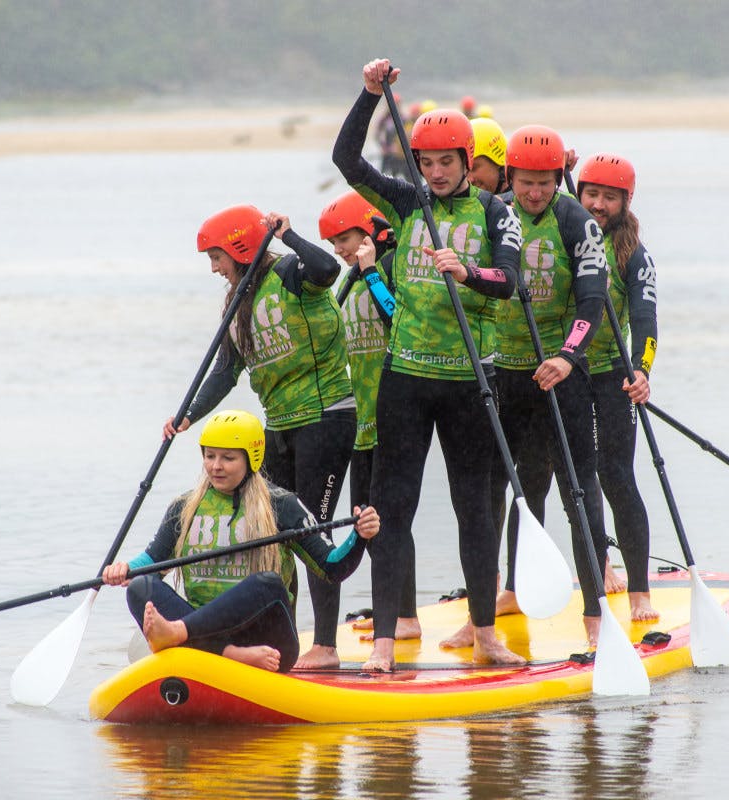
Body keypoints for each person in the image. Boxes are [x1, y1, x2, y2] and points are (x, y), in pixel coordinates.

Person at [333, 58, 524, 672]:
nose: (436, 173)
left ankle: (486, 630)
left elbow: (511, 282)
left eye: (447, 162)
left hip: (471, 380)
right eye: (427, 163)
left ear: (469, 164)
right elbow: (346, 159)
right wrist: (368, 96)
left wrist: (468, 272)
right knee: (393, 508)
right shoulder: (405, 203)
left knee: (475, 507)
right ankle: (386, 642)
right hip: (406, 382)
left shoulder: (495, 213)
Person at [163, 204, 357, 668]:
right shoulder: (236, 302)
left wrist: (287, 235)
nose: (213, 268)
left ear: (241, 247)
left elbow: (328, 267)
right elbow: (227, 371)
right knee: (272, 536)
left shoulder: (291, 272)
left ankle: (326, 647)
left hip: (326, 415)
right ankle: (280, 638)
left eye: (217, 257)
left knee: (314, 530)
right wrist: (187, 415)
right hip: (279, 424)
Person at [459, 125, 613, 648]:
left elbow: (593, 298)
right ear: (511, 176)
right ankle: (493, 603)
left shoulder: (574, 219)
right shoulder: (492, 212)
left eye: (545, 183)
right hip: (503, 372)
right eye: (525, 182)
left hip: (561, 374)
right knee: (492, 492)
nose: (534, 193)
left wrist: (568, 356)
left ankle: (596, 614)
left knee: (579, 490)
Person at [103, 410, 380, 672]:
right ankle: (224, 652)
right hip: (207, 632)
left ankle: (181, 635)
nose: (215, 466)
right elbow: (153, 560)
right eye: (209, 456)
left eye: (228, 458)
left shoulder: (281, 505)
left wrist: (359, 536)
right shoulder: (184, 506)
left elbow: (332, 568)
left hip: (269, 645)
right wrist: (125, 570)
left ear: (252, 459)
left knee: (268, 583)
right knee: (141, 586)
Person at [318, 191, 424, 642]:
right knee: (364, 518)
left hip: (396, 415)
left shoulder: (390, 269)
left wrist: (369, 270)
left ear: (371, 233)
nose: (340, 250)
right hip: (358, 419)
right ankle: (396, 610)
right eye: (334, 242)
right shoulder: (347, 283)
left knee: (391, 520)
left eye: (345, 238)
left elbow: (400, 321)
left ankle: (405, 617)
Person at [576, 153, 660, 622]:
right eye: (591, 194)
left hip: (612, 372)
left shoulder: (633, 255)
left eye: (610, 197)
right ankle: (601, 567)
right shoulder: (566, 233)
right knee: (579, 481)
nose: (598, 205)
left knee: (617, 478)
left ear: (626, 202)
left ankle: (640, 591)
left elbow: (645, 321)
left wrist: (641, 370)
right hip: (567, 372)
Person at [467, 118, 508, 194]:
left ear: (497, 162)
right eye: (464, 171)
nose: (469, 180)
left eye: (473, 168)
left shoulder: (525, 202)